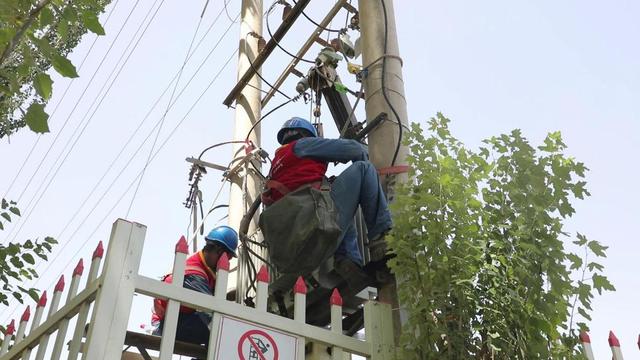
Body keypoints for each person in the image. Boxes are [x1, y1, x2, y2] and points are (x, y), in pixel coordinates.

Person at [262, 117, 392, 283]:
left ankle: (347, 260)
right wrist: (371, 184)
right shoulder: (302, 145)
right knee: (364, 169)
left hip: (297, 242)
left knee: (333, 194)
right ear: (306, 135)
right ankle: (381, 239)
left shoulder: (274, 168)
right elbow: (355, 150)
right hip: (317, 221)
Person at [151, 225, 238, 346]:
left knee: (215, 331)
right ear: (218, 250)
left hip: (181, 317)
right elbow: (209, 311)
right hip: (168, 323)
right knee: (217, 331)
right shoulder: (195, 273)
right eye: (227, 257)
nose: (227, 262)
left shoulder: (206, 270)